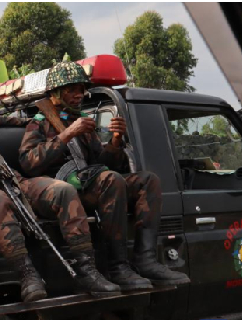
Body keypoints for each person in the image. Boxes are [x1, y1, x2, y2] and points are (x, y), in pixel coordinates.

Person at [0, 69, 121, 300]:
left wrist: (50, 120)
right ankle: (27, 275)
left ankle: (88, 271)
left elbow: (20, 120)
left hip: (11, 178)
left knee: (62, 190)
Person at [19, 61, 190, 289]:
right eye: (72, 89)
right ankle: (117, 266)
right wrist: (68, 134)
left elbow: (104, 164)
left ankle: (145, 260)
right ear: (55, 94)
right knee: (110, 180)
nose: (79, 95)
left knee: (147, 181)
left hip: (90, 186)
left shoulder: (80, 122)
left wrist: (116, 141)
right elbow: (28, 163)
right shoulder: (38, 124)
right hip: (62, 195)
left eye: (81, 89)